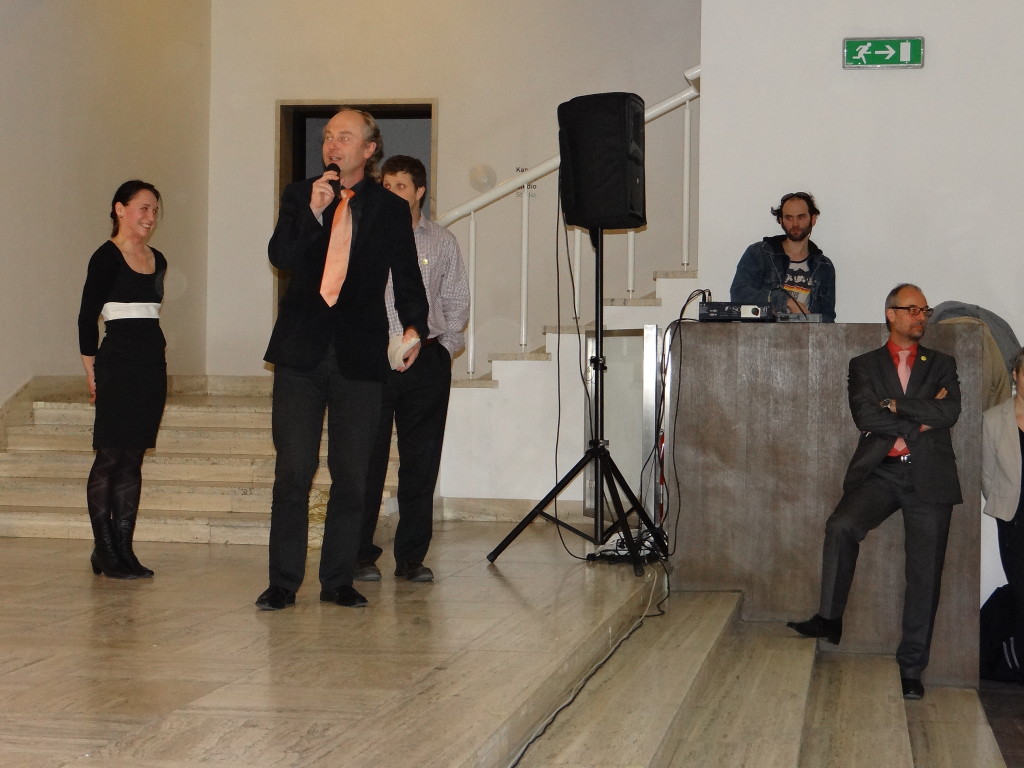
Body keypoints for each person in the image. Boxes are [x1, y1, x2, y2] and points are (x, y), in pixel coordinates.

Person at [256, 108, 429, 611]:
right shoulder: (300, 195)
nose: (332, 145)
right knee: (294, 471)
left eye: (345, 137)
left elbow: (407, 277)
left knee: (352, 475)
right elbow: (281, 256)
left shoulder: (389, 208)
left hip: (360, 356)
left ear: (369, 150)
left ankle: (337, 579)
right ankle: (283, 581)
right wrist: (313, 212)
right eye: (328, 137)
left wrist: (415, 327)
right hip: (300, 354)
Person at [787, 283, 962, 700]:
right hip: (882, 472)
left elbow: (949, 411)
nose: (921, 317)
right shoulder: (864, 364)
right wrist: (919, 419)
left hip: (929, 476)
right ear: (891, 314)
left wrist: (895, 405)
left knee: (924, 575)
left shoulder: (941, 363)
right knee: (841, 526)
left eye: (924, 310)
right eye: (912, 309)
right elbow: (864, 416)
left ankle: (911, 668)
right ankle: (830, 617)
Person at [356, 155, 470, 583]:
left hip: (426, 363)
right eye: (385, 186)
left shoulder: (441, 241)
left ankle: (411, 559)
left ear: (420, 191)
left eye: (401, 186)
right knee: (366, 462)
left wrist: (443, 349)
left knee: (420, 464)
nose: (391, 194)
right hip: (373, 361)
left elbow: (456, 300)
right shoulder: (363, 235)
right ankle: (359, 555)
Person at [77, 180, 167, 580]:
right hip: (116, 365)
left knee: (133, 457)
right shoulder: (105, 257)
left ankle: (125, 550)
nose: (150, 217)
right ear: (120, 209)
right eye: (143, 208)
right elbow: (86, 318)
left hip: (151, 367)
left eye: (155, 210)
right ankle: (105, 549)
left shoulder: (158, 259)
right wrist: (91, 371)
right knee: (110, 455)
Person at [729, 191, 836, 321]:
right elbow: (739, 294)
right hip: (763, 332)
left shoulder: (824, 266)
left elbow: (828, 317)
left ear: (812, 219)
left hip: (806, 333)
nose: (795, 224)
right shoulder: (759, 254)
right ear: (781, 221)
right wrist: (786, 301)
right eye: (789, 218)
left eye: (801, 217)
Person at [981, 346, 1024, 646]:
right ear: (1015, 374)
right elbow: (987, 474)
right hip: (1013, 521)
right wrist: (1004, 506)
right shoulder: (993, 419)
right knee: (1020, 590)